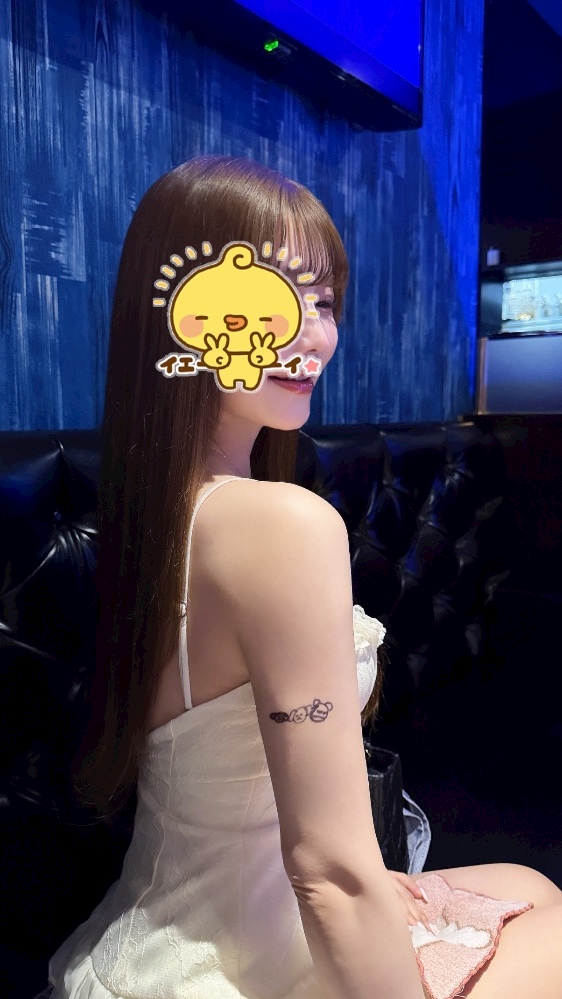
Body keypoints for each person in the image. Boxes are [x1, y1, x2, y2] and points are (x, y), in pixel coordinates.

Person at [47, 156, 562, 999]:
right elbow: (327, 871)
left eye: (321, 300)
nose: (311, 333)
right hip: (231, 964)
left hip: (158, 929)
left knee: (528, 883)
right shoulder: (280, 526)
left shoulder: (158, 507)